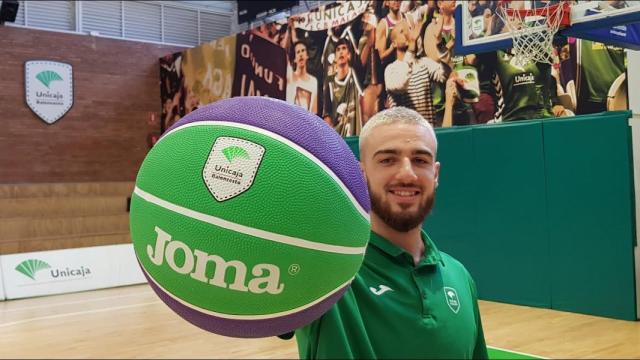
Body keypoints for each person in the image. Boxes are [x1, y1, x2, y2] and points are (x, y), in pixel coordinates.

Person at [290, 106, 489, 359]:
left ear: (435, 174)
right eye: (387, 160)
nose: (407, 173)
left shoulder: (460, 277)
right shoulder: (324, 270)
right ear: (361, 174)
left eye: (420, 160)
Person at [384, 18, 446, 126]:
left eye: (407, 29)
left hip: (427, 136)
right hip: (405, 138)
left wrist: (439, 41)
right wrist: (411, 50)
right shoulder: (390, 69)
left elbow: (445, 75)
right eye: (402, 31)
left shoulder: (424, 63)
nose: (407, 33)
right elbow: (400, 85)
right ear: (394, 43)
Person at [322, 38, 364, 137]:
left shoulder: (356, 74)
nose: (341, 52)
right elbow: (327, 115)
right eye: (338, 49)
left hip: (355, 135)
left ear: (349, 55)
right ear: (335, 57)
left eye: (344, 48)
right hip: (338, 137)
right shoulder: (329, 83)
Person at [286, 40, 319, 114]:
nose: (301, 54)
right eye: (298, 52)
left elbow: (314, 111)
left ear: (307, 55)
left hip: (305, 122)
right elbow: (283, 51)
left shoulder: (314, 81)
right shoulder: (290, 76)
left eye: (303, 51)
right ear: (294, 59)